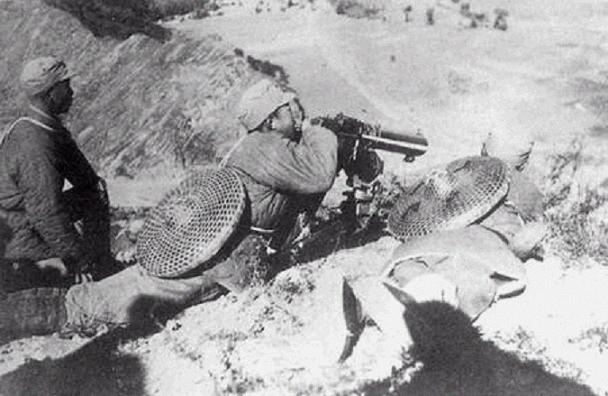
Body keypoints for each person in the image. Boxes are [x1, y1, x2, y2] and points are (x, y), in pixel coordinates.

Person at [1, 78, 357, 339]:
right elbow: (319, 174)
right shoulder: (264, 148)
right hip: (220, 261)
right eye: (288, 110)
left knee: (121, 290)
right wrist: (323, 133)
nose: (297, 114)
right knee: (99, 303)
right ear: (270, 122)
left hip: (215, 253)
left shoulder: (268, 144)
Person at [0, 56, 111, 294]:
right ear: (50, 93)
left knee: (95, 192)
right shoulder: (34, 143)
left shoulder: (48, 129)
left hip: (30, 221)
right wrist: (78, 258)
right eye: (66, 86)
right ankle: (85, 269)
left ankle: (100, 263)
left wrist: (64, 142)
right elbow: (45, 211)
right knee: (70, 271)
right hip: (16, 236)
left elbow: (87, 181)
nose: (72, 92)